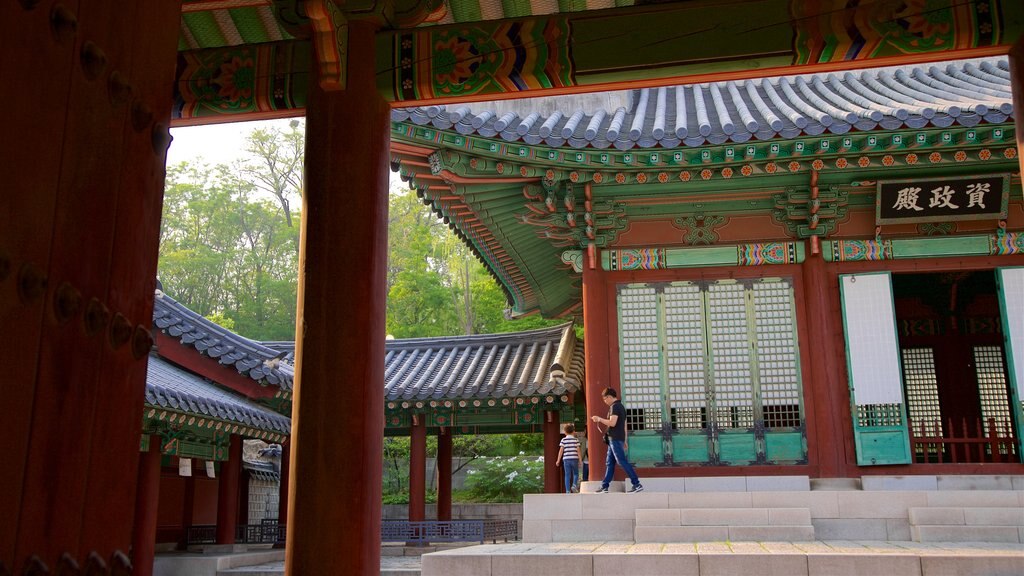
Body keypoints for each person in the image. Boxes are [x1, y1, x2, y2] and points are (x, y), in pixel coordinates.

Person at [591, 387, 643, 493]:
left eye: (605, 399)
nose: (605, 401)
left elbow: (612, 423)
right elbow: (624, 425)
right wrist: (625, 440)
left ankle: (637, 483)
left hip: (614, 438)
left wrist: (599, 419)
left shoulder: (614, 407)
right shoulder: (621, 407)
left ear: (609, 397)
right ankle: (604, 486)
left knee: (621, 461)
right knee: (609, 463)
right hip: (616, 439)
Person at [555, 423, 581, 493]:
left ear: (565, 432)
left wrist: (558, 460)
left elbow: (561, 451)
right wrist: (580, 461)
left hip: (566, 460)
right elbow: (578, 451)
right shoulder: (576, 440)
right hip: (574, 459)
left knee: (567, 475)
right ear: (573, 431)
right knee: (576, 473)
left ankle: (567, 490)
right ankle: (574, 485)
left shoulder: (563, 440)